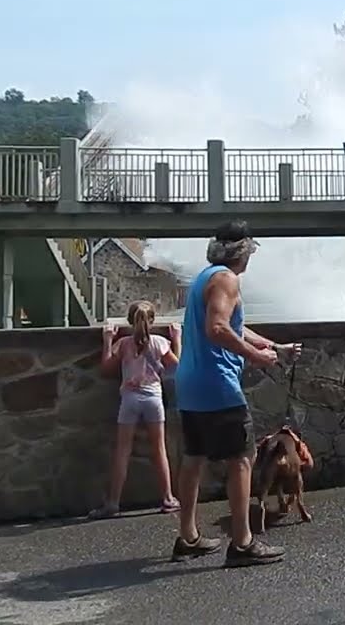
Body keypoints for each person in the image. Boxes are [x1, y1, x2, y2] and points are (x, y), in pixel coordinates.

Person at [172, 221, 303, 568]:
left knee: (194, 458)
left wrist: (274, 346)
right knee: (242, 459)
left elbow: (232, 325)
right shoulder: (227, 279)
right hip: (218, 385)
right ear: (242, 251)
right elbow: (217, 329)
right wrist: (256, 357)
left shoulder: (206, 277)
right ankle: (243, 542)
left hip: (190, 382)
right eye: (252, 250)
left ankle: (188, 537)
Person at [90, 302, 181, 520]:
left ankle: (113, 502)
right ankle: (168, 498)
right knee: (159, 449)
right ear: (152, 321)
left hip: (129, 399)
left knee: (122, 451)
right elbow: (176, 365)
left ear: (130, 321)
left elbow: (106, 368)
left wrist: (107, 341)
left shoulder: (123, 344)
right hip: (153, 398)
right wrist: (177, 338)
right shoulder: (159, 342)